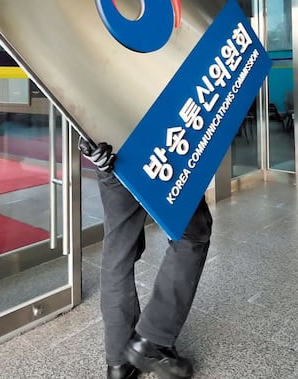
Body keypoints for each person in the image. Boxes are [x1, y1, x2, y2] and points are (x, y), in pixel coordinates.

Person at [79, 138, 212, 379]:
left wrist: (91, 147)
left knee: (118, 253)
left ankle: (119, 363)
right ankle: (153, 342)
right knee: (192, 235)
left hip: (110, 154)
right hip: (164, 150)